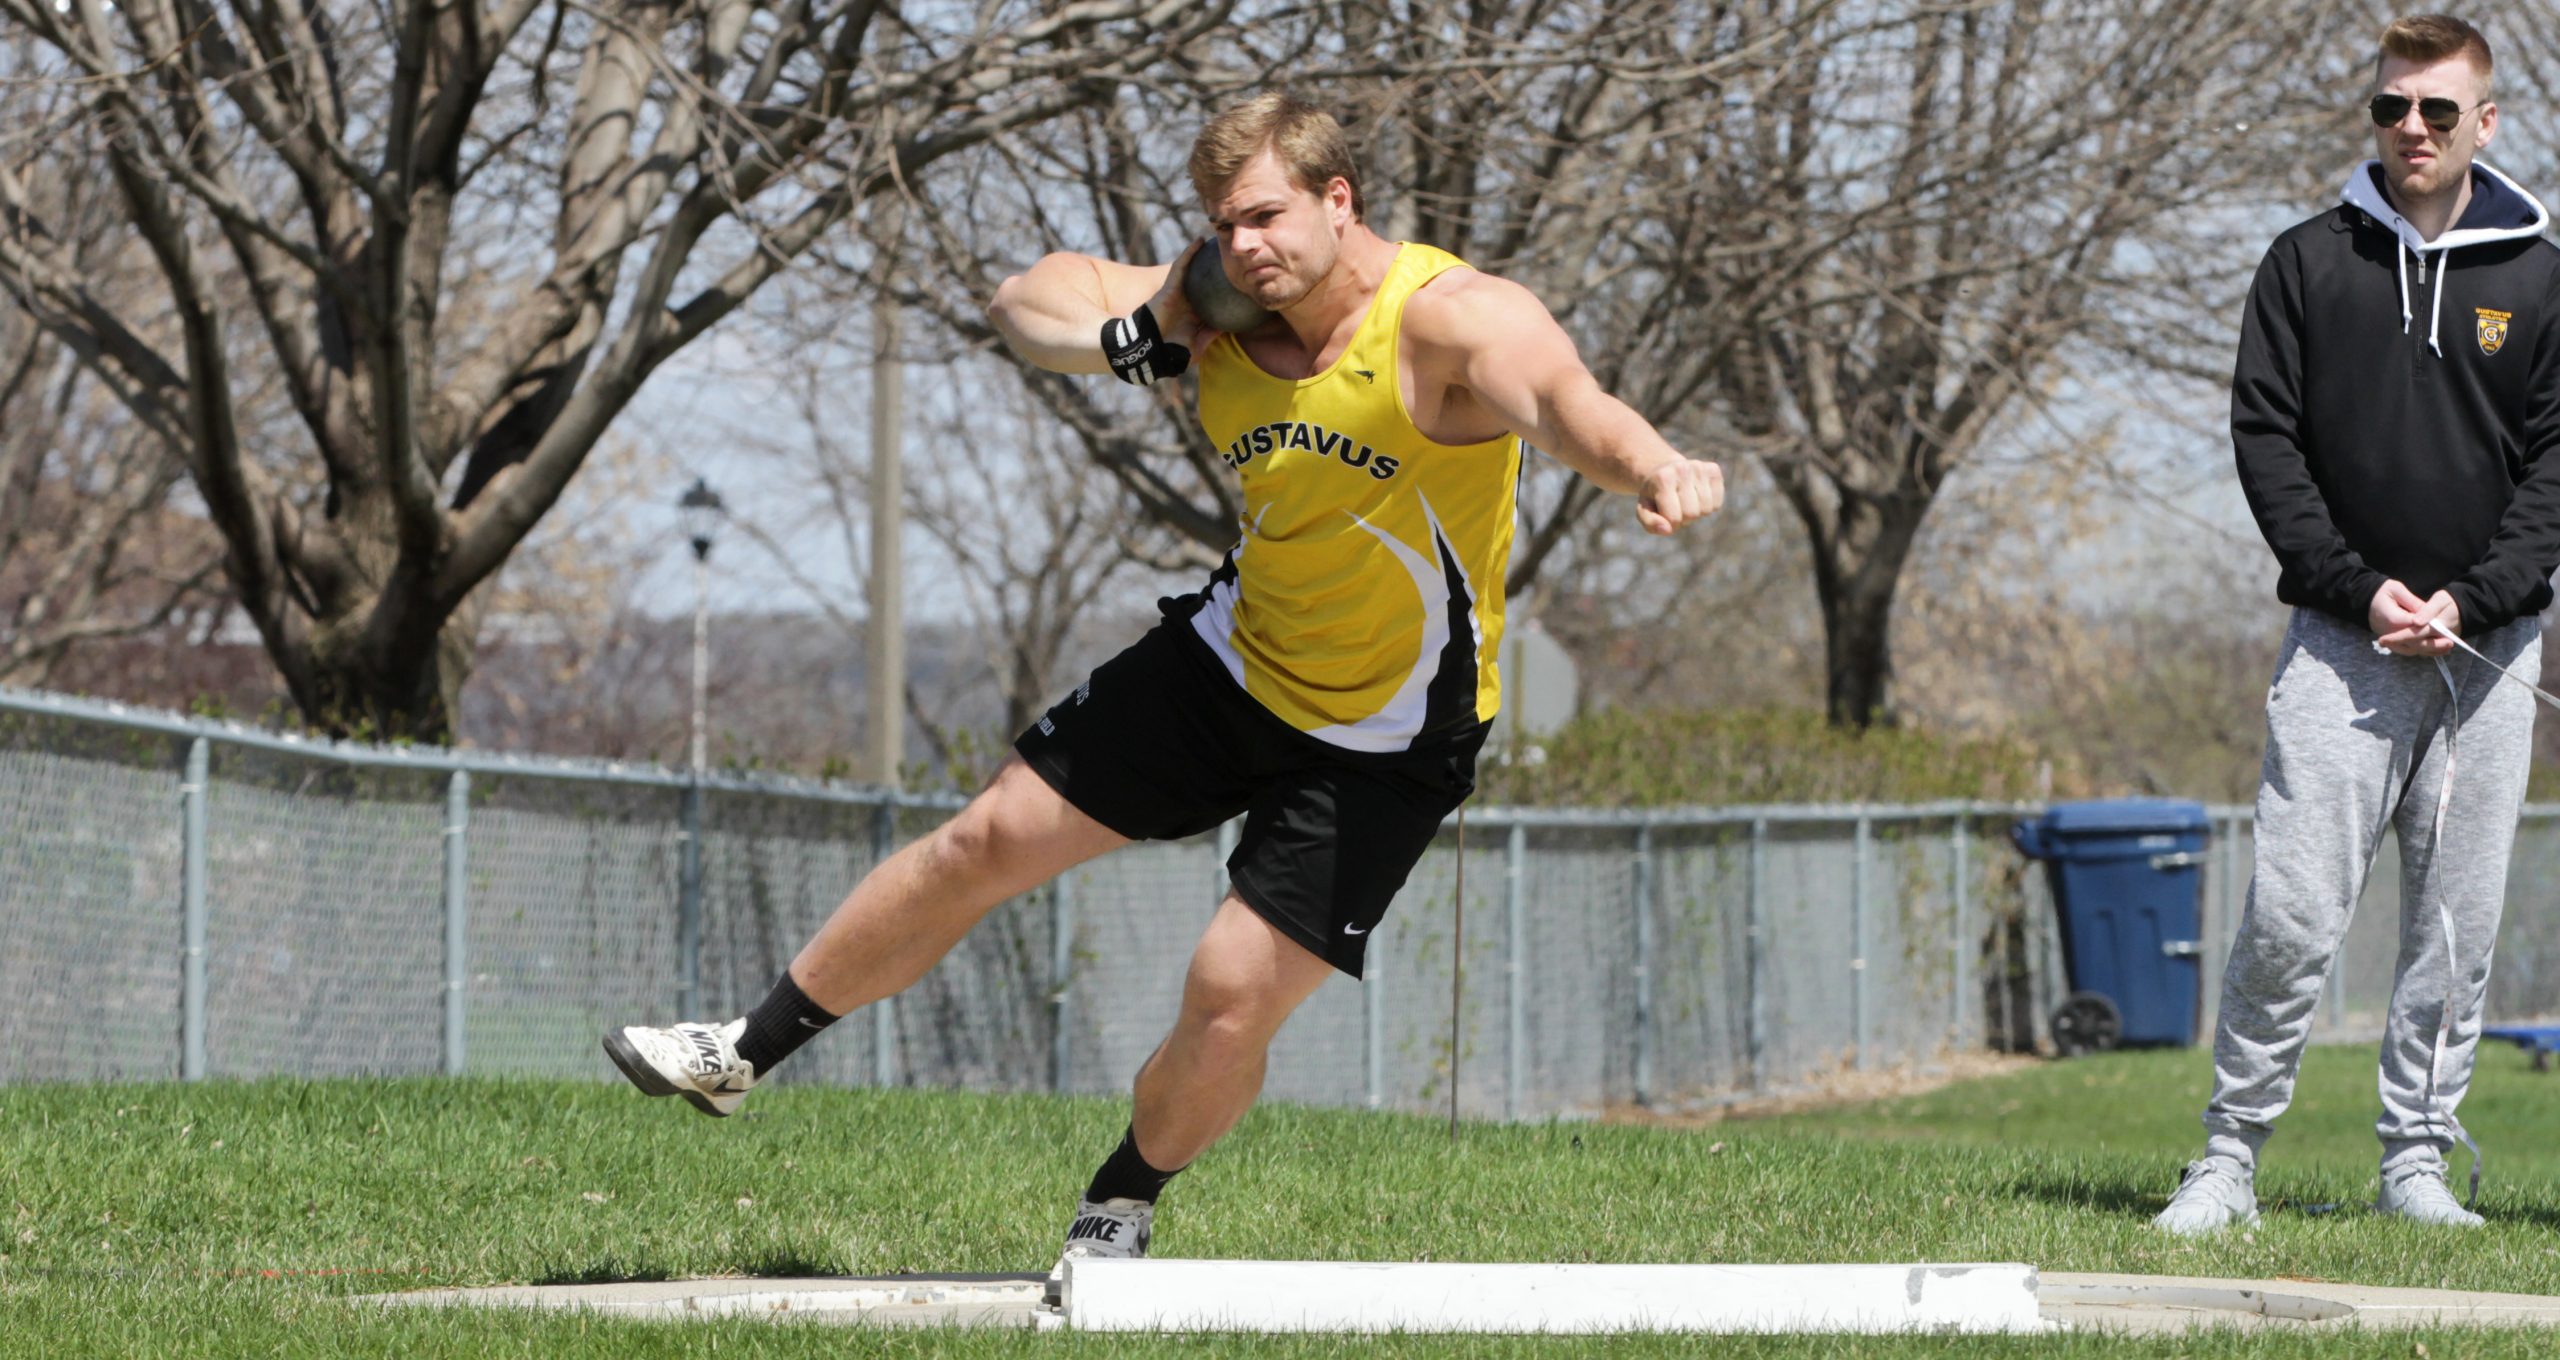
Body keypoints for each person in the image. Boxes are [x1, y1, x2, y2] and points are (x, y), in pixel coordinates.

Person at [602, 93, 1725, 1292]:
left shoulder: (1448, 322)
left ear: (1337, 199)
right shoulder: (1219, 297)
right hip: (1231, 662)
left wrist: (1651, 462)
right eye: (1222, 221)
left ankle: (1121, 1204)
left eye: (1266, 215)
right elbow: (1029, 297)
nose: (1244, 243)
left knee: (1230, 989)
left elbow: (1563, 402)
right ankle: (740, 1048)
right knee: (987, 834)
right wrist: (1134, 331)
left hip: (1391, 732)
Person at [2154, 13, 2560, 1236]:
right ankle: (2226, 1160)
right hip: (2342, 644)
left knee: (2453, 928)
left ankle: (2416, 1162)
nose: (2412, 129)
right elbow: (2263, 441)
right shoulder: (2304, 263)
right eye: (2392, 107)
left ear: (2486, 122)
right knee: (2287, 912)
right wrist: (2351, 585)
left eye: (2437, 109)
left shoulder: (2539, 274)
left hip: (2485, 660)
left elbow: (2554, 466)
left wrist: (2471, 600)